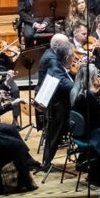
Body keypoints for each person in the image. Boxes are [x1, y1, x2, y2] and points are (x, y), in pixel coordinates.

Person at [40, 41, 75, 170]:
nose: (74, 58)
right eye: (73, 56)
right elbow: (71, 86)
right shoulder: (57, 71)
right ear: (66, 58)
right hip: (59, 110)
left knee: (53, 136)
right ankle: (47, 163)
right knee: (53, 137)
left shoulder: (60, 67)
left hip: (62, 108)